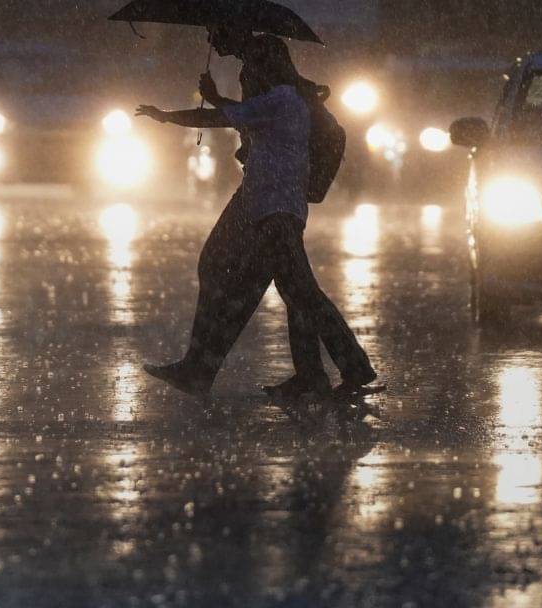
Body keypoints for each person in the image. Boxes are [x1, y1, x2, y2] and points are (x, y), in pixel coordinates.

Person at [135, 34, 376, 400]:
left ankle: (350, 367)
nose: (246, 75)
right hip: (265, 206)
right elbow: (239, 114)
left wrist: (167, 116)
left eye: (251, 68)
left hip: (276, 212)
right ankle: (303, 374)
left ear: (266, 69)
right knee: (288, 290)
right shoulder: (280, 100)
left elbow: (220, 118)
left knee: (299, 293)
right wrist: (217, 97)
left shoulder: (281, 100)